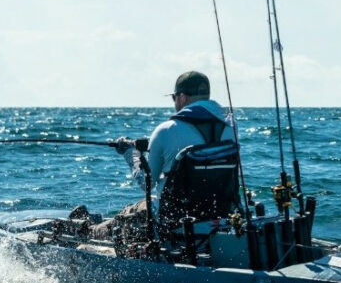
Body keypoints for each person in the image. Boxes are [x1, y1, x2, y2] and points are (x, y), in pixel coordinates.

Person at [89, 70, 235, 240]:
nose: (175, 102)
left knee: (128, 215)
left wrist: (131, 154)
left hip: (172, 220)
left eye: (174, 98)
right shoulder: (231, 128)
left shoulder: (166, 130)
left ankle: (87, 231)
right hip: (220, 215)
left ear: (182, 98)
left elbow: (146, 183)